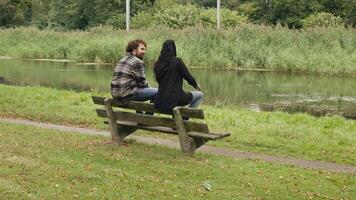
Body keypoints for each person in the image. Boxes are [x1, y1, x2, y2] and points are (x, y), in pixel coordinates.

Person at [153, 39, 203, 113]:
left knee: (182, 94)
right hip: (175, 100)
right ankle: (185, 118)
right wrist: (196, 85)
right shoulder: (177, 62)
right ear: (174, 49)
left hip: (160, 101)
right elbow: (188, 77)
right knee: (199, 95)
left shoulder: (158, 64)